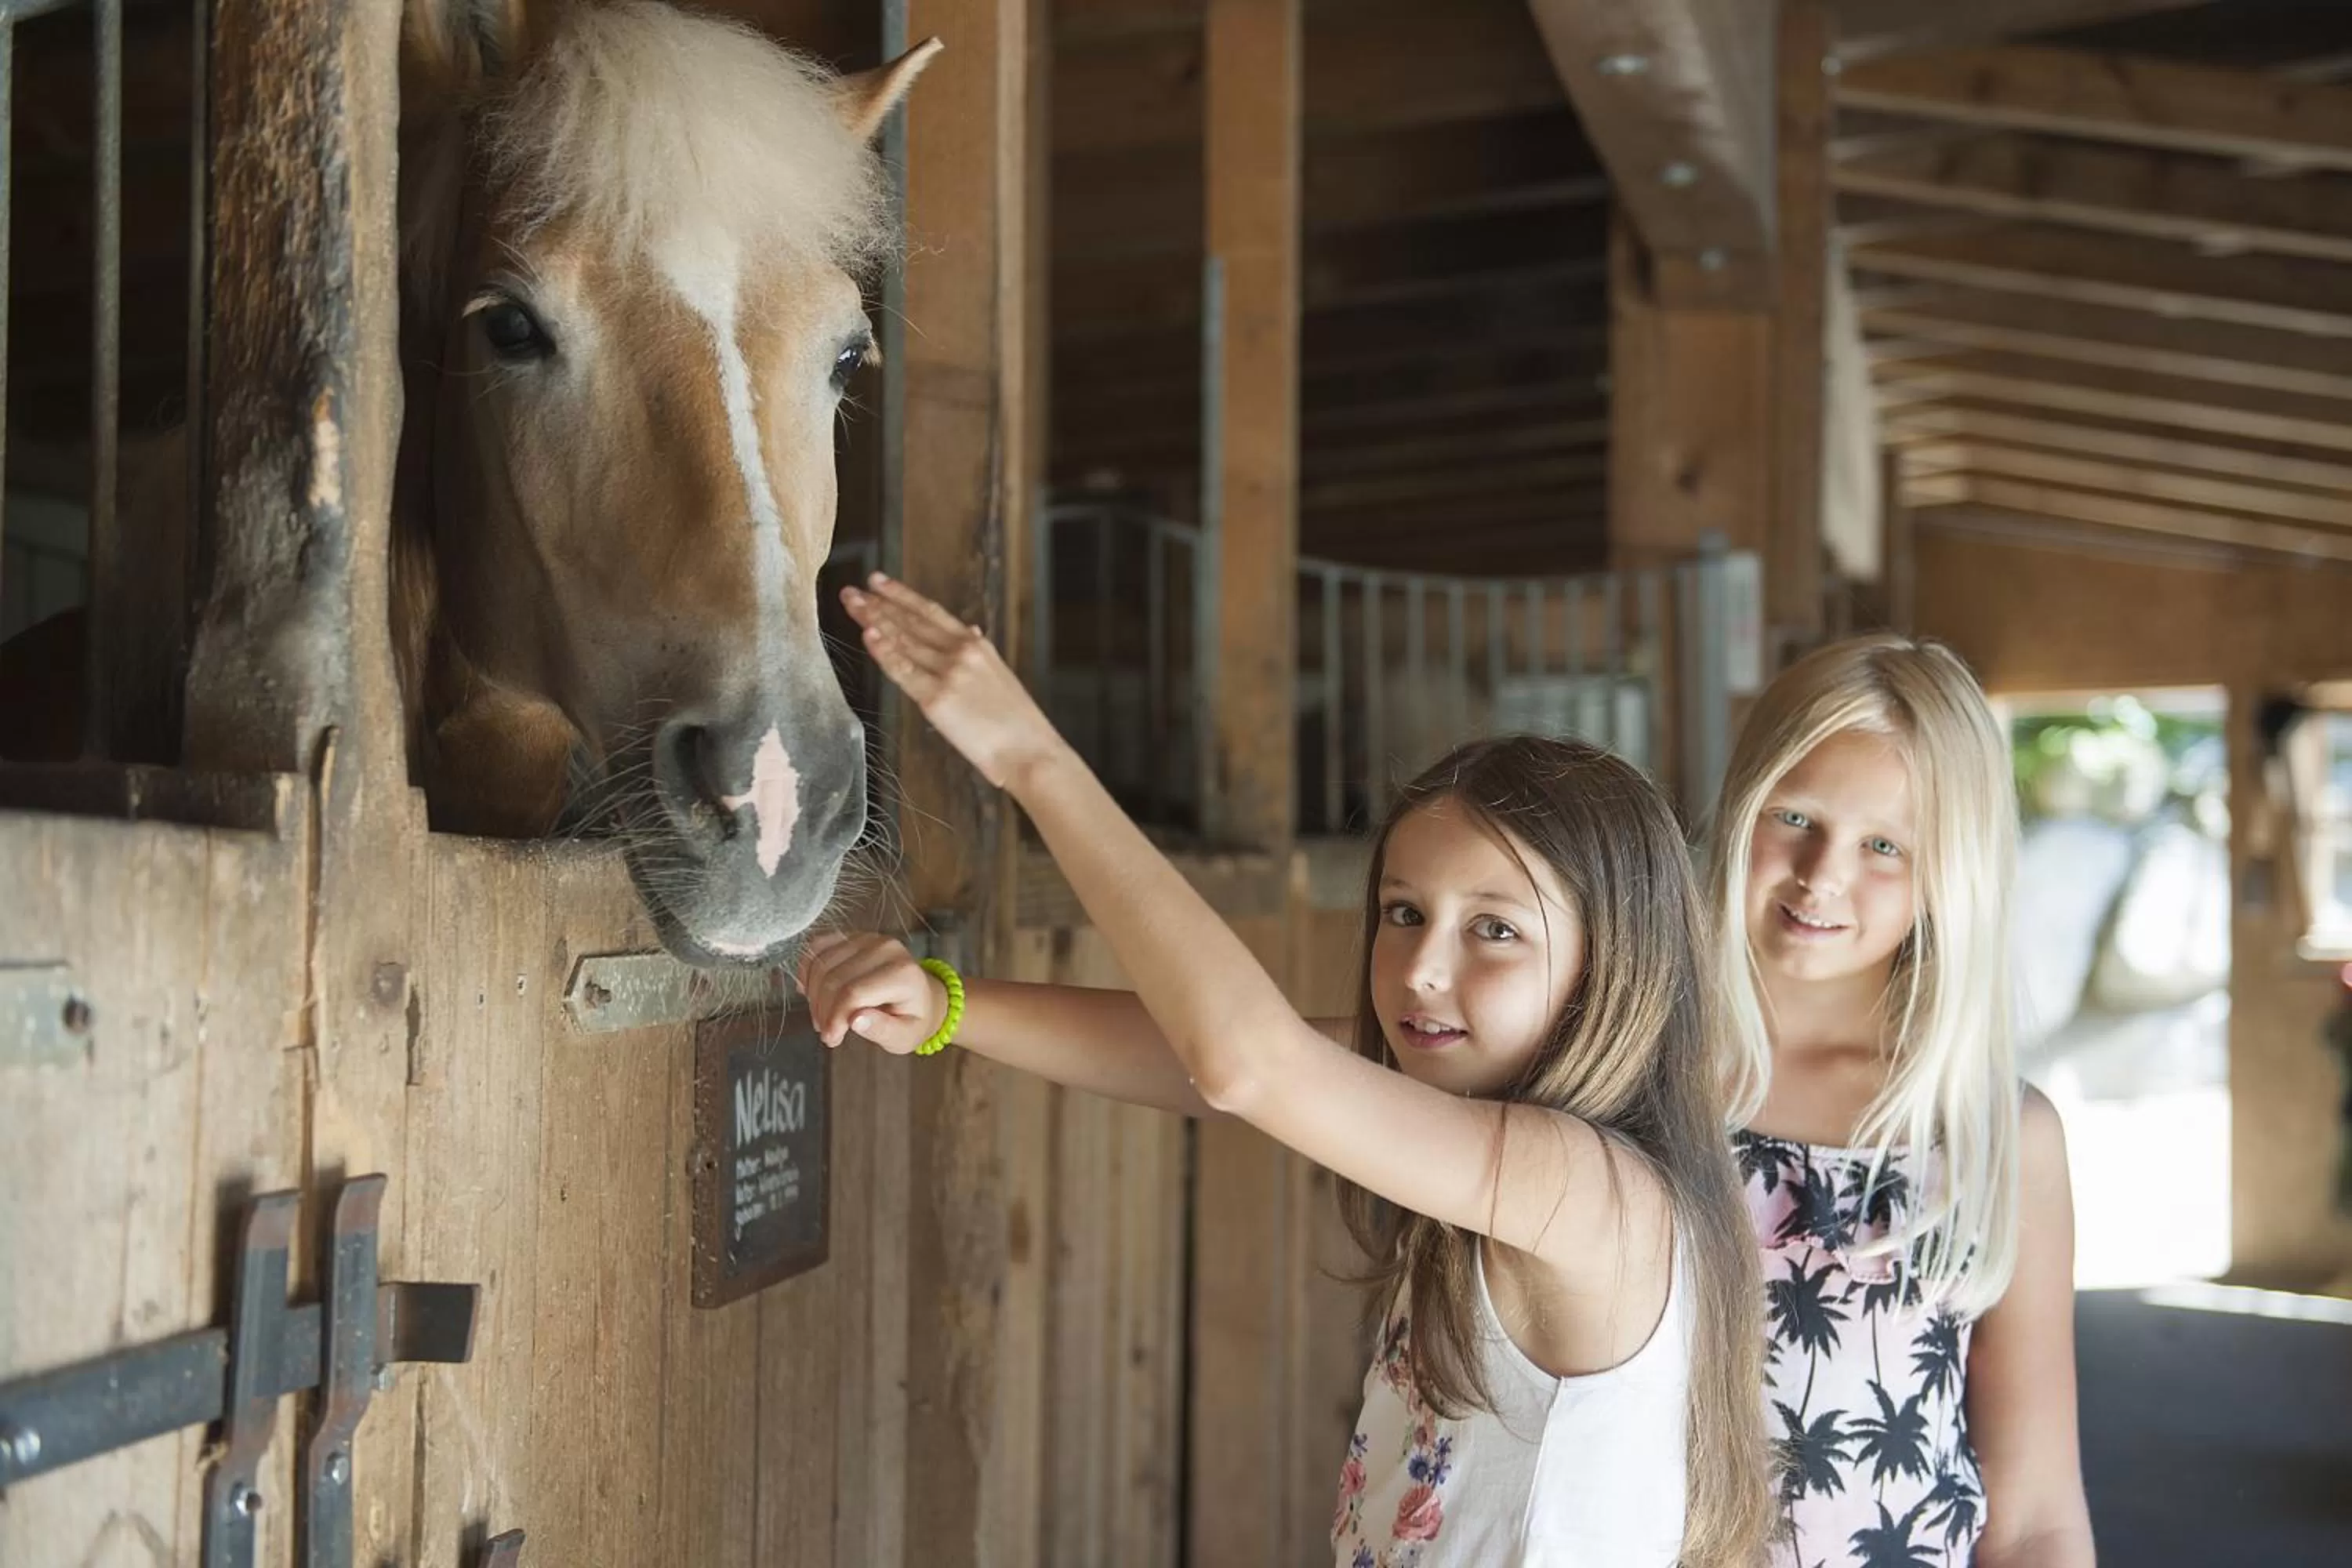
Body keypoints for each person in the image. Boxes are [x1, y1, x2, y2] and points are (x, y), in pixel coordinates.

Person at [801, 572, 1772, 1566]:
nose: (1425, 968)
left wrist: (1033, 757)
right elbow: (1191, 1056)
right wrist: (947, 1006)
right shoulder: (1487, 1110)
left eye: (1495, 928)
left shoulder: (1589, 1185)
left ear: (1617, 966)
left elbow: (1244, 1062)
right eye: (1404, 912)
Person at [1707, 635, 2094, 1567]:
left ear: (1948, 874)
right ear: (1742, 802)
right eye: (1794, 815)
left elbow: (2038, 1505)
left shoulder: (1994, 1132)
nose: (1822, 872)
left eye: (1884, 844)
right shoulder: (1633, 1064)